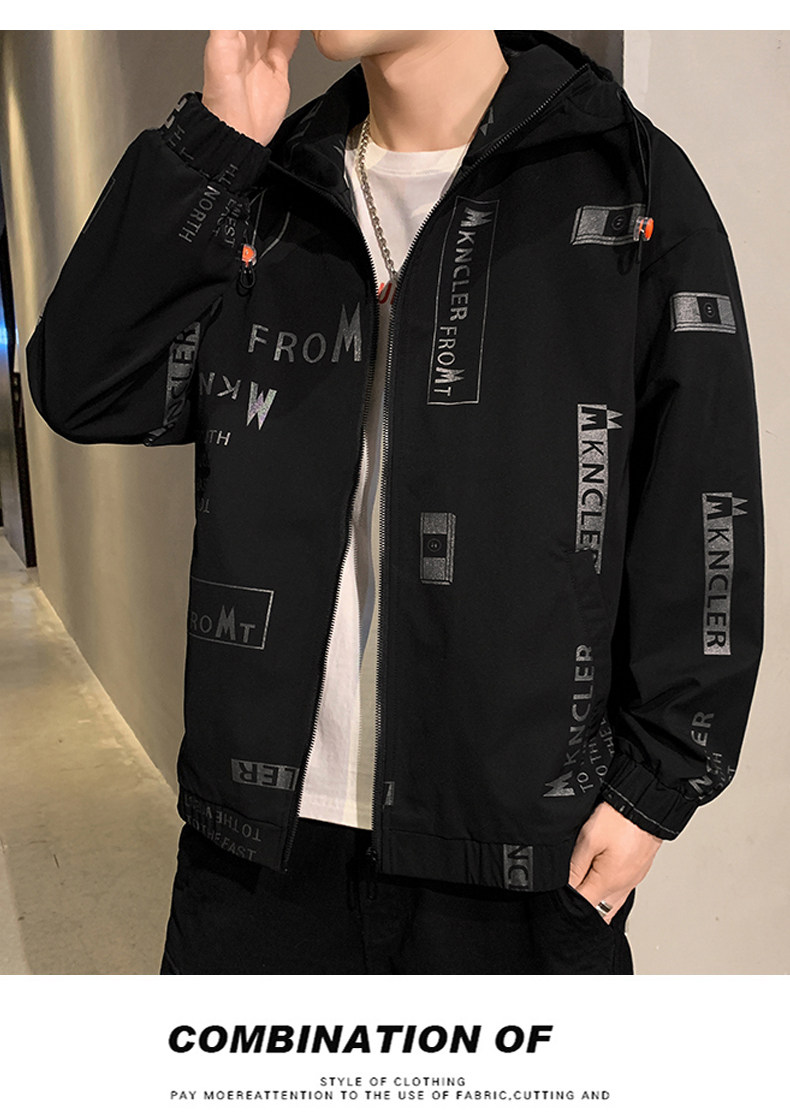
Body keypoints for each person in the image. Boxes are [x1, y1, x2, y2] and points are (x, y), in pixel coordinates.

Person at [25, 30, 764, 974]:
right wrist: (213, 144)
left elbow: (703, 494)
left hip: (514, 856)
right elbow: (84, 388)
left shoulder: (626, 181)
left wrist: (653, 791)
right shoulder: (272, 185)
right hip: (257, 844)